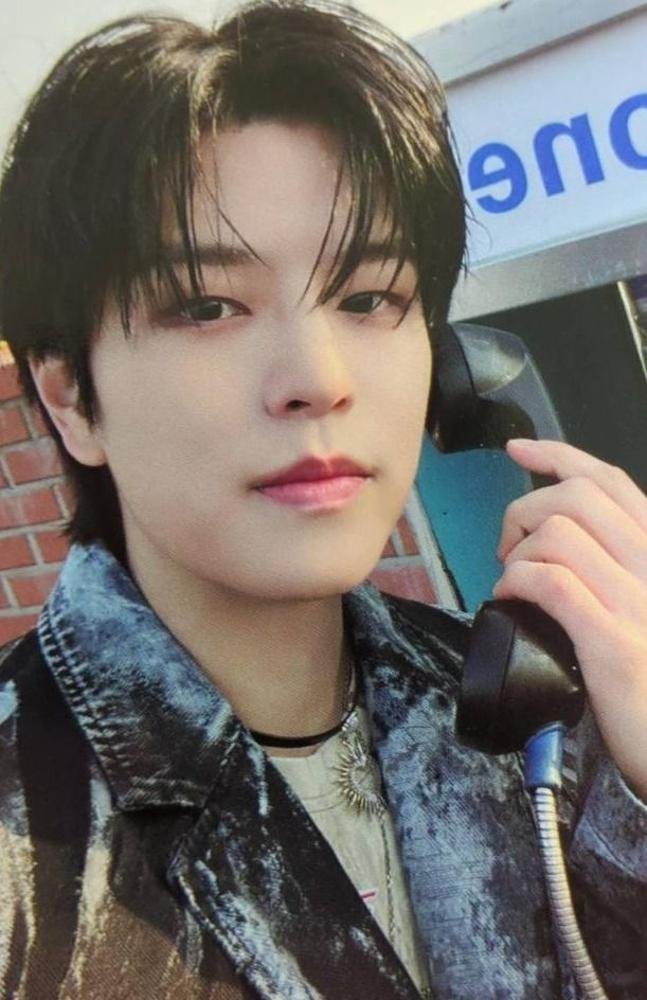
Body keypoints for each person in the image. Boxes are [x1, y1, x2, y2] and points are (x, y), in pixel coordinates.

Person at [0, 1, 645, 997]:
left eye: (368, 298)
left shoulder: (534, 726)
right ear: (70, 398)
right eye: (207, 306)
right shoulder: (28, 857)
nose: (318, 377)